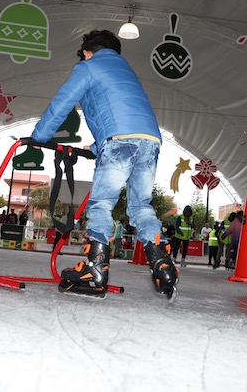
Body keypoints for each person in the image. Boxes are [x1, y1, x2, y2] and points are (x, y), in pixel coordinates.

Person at [28, 29, 178, 299]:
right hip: (150, 141)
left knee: (101, 203)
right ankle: (163, 264)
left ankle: (95, 268)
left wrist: (39, 137)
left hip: (119, 141)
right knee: (140, 206)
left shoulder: (88, 67)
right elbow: (123, 111)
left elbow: (62, 102)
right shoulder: (126, 72)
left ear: (87, 51)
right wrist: (97, 147)